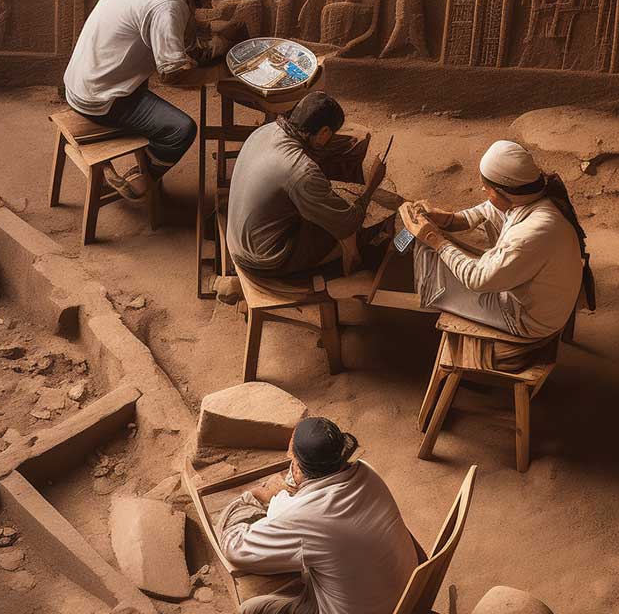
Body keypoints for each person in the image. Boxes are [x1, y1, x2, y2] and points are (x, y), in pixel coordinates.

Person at [63, 0, 235, 200]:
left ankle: (144, 161)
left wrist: (207, 32)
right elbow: (172, 77)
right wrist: (220, 72)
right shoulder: (167, 4)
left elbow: (178, 18)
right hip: (101, 98)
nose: (210, 2)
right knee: (182, 130)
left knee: (167, 71)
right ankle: (141, 178)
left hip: (80, 78)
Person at [399, 139, 590, 367]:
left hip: (527, 320)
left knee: (429, 253)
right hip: (541, 303)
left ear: (501, 191)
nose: (483, 191)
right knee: (439, 245)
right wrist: (445, 219)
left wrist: (433, 239)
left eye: (486, 188)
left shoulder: (533, 231)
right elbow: (482, 212)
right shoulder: (532, 194)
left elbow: (477, 279)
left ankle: (420, 319)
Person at [217, 416, 417, 614]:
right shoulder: (368, 472)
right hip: (408, 600)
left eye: (292, 459)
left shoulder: (298, 514)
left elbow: (233, 546)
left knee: (252, 609)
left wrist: (258, 494)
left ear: (296, 468)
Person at [226, 92, 393, 281]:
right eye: (331, 134)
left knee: (322, 203)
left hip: (237, 242)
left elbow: (311, 154)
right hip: (265, 260)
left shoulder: (266, 130)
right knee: (364, 229)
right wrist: (371, 186)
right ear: (324, 133)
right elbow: (348, 222)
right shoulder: (301, 171)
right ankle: (356, 274)